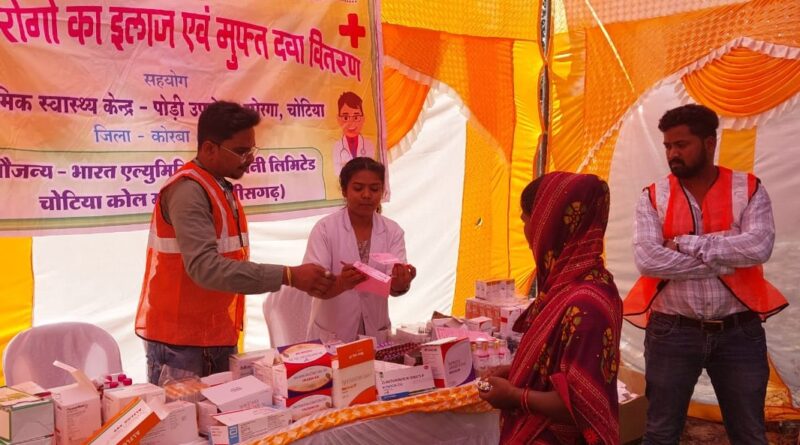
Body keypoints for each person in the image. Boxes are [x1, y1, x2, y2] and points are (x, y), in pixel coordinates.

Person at [135, 101, 335, 384]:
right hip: (181, 345)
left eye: (252, 150)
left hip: (215, 334)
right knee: (185, 414)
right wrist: (288, 275)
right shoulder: (189, 191)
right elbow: (206, 268)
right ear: (209, 149)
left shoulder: (218, 186)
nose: (250, 158)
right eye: (241, 151)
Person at [624, 104, 788, 445]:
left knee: (749, 434)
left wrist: (684, 243)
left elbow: (759, 247)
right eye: (668, 146)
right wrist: (726, 256)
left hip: (738, 332)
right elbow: (648, 260)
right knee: (660, 433)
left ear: (709, 143)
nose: (672, 153)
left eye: (681, 144)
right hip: (673, 330)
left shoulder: (748, 188)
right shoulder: (653, 196)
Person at [478, 172, 623, 445]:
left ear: (550, 223)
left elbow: (581, 405)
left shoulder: (585, 304)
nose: (526, 232)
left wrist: (514, 395)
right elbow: (560, 367)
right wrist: (519, 370)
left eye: (526, 220)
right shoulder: (575, 284)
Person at [304, 157, 415, 343]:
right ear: (344, 190)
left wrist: (402, 282)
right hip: (333, 334)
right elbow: (313, 284)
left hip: (375, 331)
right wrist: (341, 283)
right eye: (358, 188)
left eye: (374, 189)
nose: (366, 195)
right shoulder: (325, 229)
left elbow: (394, 286)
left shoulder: (393, 231)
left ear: (382, 191)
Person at [332, 92, 375, 176]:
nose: (351, 122)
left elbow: (371, 172)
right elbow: (338, 174)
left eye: (356, 117)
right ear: (338, 119)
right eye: (345, 117)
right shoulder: (337, 147)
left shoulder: (369, 145)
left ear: (363, 118)